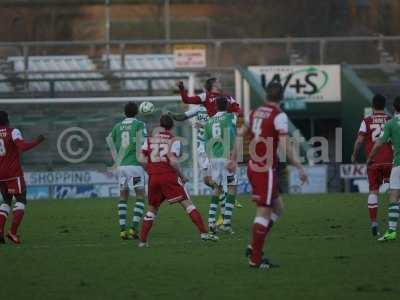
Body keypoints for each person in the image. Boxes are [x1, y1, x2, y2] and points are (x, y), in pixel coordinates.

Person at [240, 82, 307, 269]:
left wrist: (232, 157)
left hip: (255, 165)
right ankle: (255, 258)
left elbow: (241, 133)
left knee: (278, 208)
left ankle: (254, 246)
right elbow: (285, 145)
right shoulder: (279, 116)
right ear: (282, 98)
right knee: (264, 210)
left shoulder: (254, 112)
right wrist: (299, 166)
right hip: (265, 167)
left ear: (266, 96)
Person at [138, 115, 218, 247]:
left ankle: (142, 241)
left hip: (153, 177)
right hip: (169, 176)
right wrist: (182, 175)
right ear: (172, 126)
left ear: (160, 124)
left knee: (152, 209)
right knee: (188, 204)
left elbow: (141, 159)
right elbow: (173, 161)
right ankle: (204, 233)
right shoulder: (174, 140)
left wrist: (150, 170)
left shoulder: (149, 140)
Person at [0, 111, 45, 244]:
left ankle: (0, 230)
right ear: (7, 120)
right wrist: (38, 141)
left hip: (0, 175)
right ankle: (12, 233)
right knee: (21, 199)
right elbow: (22, 147)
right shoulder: (13, 131)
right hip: (13, 174)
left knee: (6, 201)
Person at [351, 94, 393, 236]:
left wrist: (354, 154)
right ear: (384, 105)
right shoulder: (390, 120)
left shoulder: (367, 121)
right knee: (396, 192)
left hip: (373, 161)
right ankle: (393, 222)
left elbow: (359, 141)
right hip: (390, 161)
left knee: (373, 191)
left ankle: (374, 222)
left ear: (373, 106)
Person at [107, 102, 147, 240]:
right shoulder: (139, 125)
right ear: (137, 112)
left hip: (121, 166)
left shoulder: (117, 126)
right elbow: (143, 144)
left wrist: (116, 158)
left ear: (124, 113)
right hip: (134, 165)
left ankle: (123, 230)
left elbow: (109, 140)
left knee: (123, 196)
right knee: (140, 195)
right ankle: (134, 229)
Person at [367, 96, 400, 242]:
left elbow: (379, 143)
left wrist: (369, 158)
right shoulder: (388, 120)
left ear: (394, 107)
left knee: (393, 195)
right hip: (392, 164)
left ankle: (391, 231)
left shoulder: (391, 123)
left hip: (398, 164)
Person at [204, 96, 238, 234]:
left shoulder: (209, 121)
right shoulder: (230, 117)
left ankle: (211, 221)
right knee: (231, 188)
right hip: (226, 157)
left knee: (217, 188)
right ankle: (227, 223)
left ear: (216, 106)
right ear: (227, 105)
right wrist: (232, 157)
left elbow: (206, 141)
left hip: (213, 158)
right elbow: (233, 135)